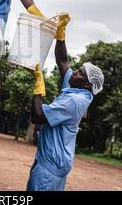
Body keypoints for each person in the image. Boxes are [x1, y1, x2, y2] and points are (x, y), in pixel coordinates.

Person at [26, 13, 105, 191]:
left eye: (80, 73)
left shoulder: (75, 101)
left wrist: (39, 86)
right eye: (79, 68)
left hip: (51, 167)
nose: (75, 71)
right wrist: (61, 35)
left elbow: (37, 117)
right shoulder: (77, 89)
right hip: (54, 163)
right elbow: (63, 61)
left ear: (87, 84)